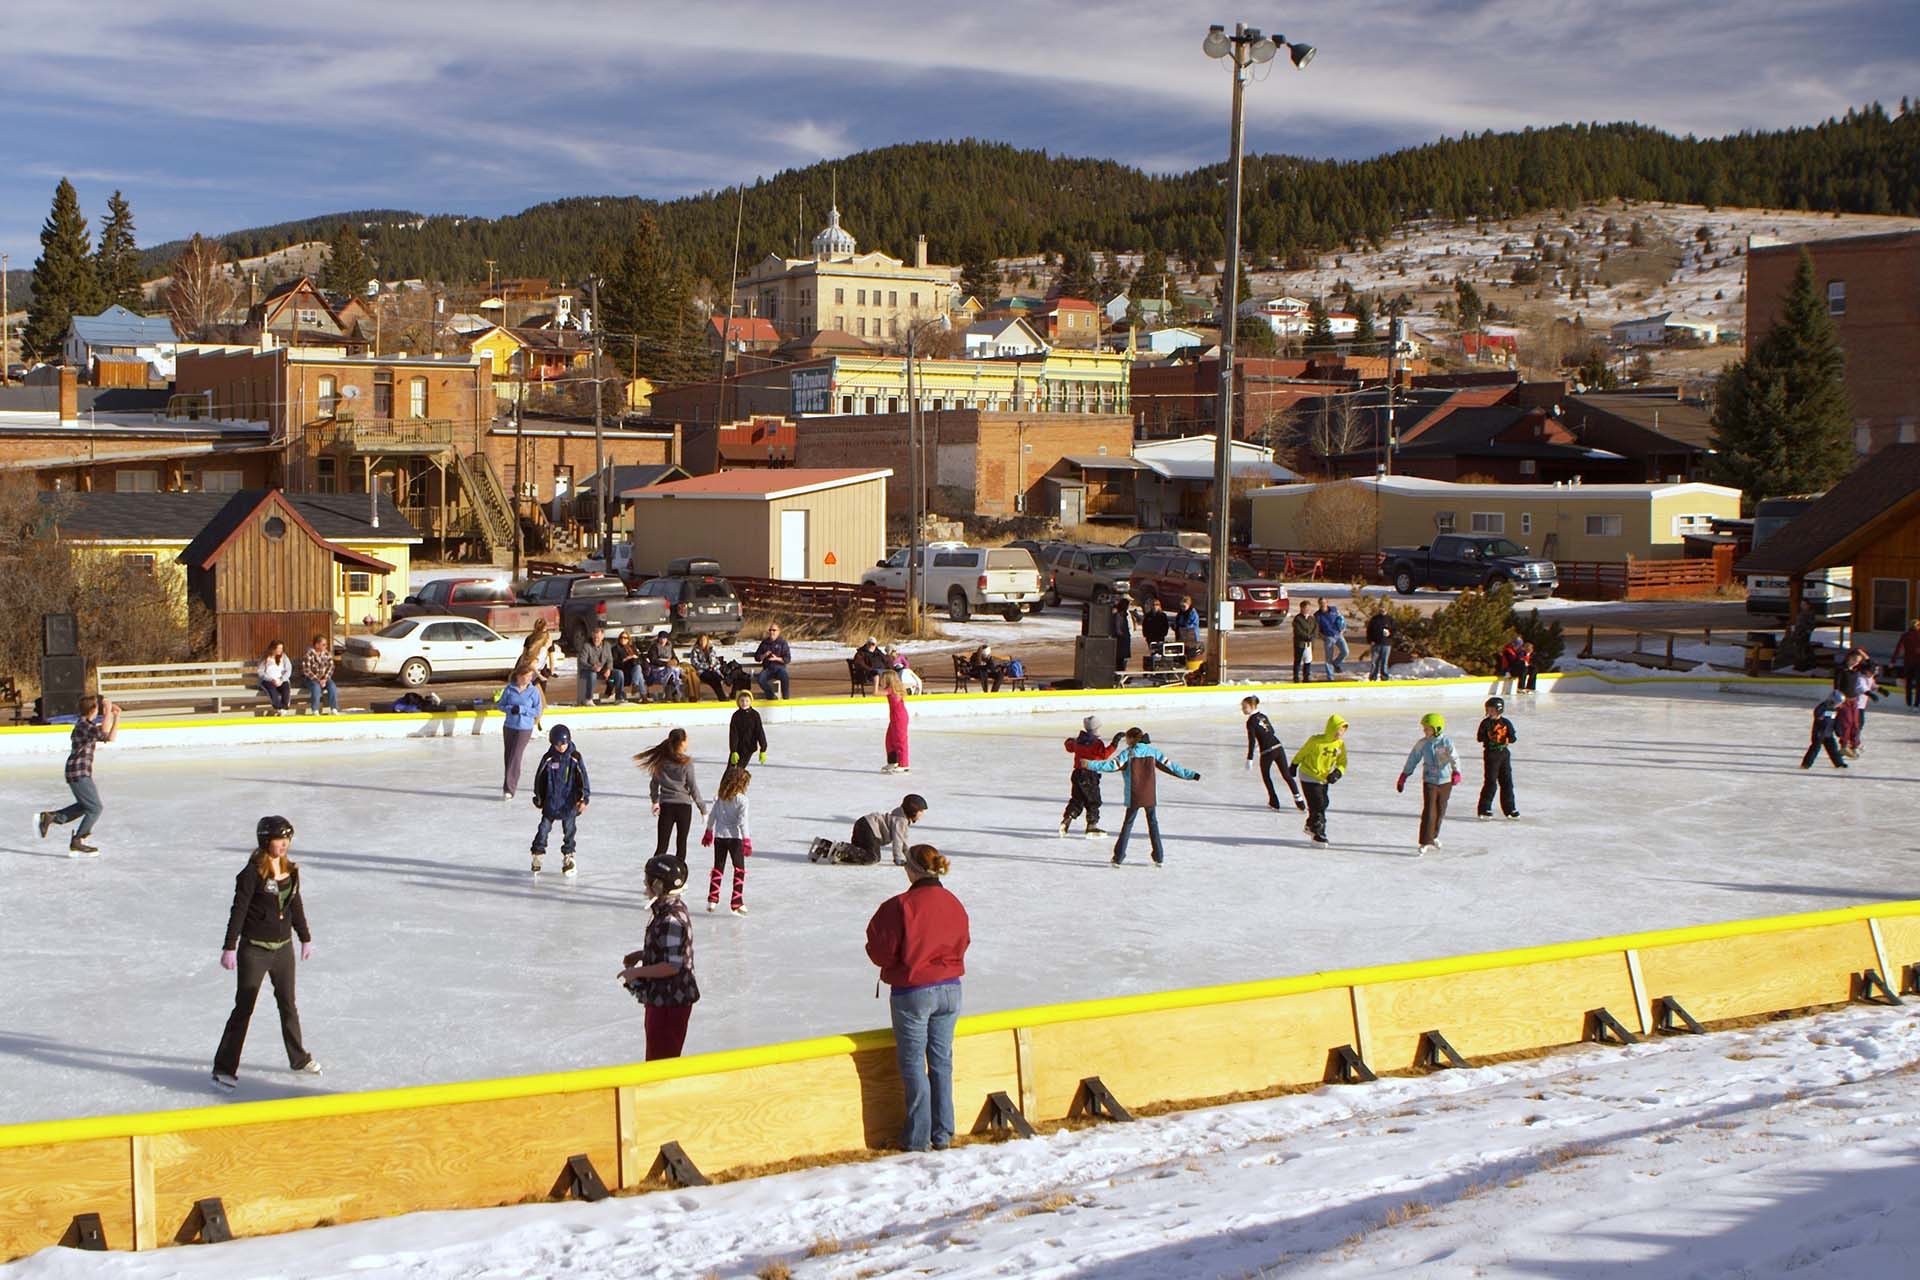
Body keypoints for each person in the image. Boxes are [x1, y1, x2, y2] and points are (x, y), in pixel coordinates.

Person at [865, 843, 970, 1153]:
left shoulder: (900, 906)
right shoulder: (953, 902)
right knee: (941, 1061)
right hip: (951, 988)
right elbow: (963, 941)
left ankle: (917, 1137)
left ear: (911, 870)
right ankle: (943, 1133)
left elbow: (881, 951)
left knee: (912, 1063)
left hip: (914, 991)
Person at [212, 815, 318, 1089]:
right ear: (266, 840)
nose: (284, 845)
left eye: (287, 840)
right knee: (244, 1008)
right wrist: (230, 946)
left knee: (288, 1005)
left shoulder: (290, 870)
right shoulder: (251, 874)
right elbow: (239, 910)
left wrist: (304, 937)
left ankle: (299, 1058)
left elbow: (295, 905)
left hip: (283, 950)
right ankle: (223, 1068)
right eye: (279, 840)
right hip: (254, 951)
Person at [619, 854, 700, 1060]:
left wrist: (637, 972)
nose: (644, 885)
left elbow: (671, 966)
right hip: (665, 998)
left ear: (658, 885)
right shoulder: (670, 909)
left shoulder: (670, 919)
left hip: (670, 1001)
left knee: (661, 1059)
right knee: (657, 1053)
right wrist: (643, 955)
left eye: (647, 881)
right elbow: (671, 950)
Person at [1088, 727, 1201, 866]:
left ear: (1131, 739)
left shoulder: (1129, 753)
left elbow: (1111, 765)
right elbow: (1172, 767)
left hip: (1134, 796)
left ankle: (1118, 857)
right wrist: (1191, 775)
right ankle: (1159, 857)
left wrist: (1089, 764)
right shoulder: (1153, 752)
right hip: (1149, 796)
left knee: (1128, 825)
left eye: (1127, 739)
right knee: (1153, 824)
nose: (1126, 741)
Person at [36, 693, 120, 856]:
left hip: (79, 771)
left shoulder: (86, 725)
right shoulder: (84, 726)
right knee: (95, 808)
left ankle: (51, 817)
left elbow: (109, 736)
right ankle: (78, 840)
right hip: (78, 772)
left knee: (85, 806)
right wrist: (109, 710)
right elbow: (106, 733)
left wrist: (116, 716)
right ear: (93, 709)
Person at [530, 724, 590, 876]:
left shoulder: (575, 758)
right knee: (543, 830)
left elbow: (583, 778)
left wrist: (584, 799)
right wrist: (539, 798)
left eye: (564, 743)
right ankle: (537, 855)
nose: (561, 747)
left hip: (569, 804)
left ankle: (568, 857)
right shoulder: (548, 758)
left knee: (569, 831)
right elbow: (540, 779)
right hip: (551, 803)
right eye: (558, 744)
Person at [1398, 712, 1461, 856]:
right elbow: (1413, 758)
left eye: (1427, 728)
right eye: (1424, 728)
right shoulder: (1423, 743)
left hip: (1445, 781)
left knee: (1440, 810)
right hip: (1430, 781)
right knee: (1430, 810)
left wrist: (1456, 772)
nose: (1425, 731)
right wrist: (1404, 775)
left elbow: (1454, 758)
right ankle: (1425, 841)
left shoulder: (1446, 743)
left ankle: (1434, 836)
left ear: (1437, 729)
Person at [639, 728, 706, 860]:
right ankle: (680, 872)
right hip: (684, 808)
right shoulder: (687, 762)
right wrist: (703, 809)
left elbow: (654, 784)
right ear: (682, 742)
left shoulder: (661, 761)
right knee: (681, 844)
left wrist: (655, 801)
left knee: (662, 845)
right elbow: (693, 787)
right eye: (686, 740)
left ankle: (654, 871)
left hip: (667, 807)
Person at [701, 766, 753, 915]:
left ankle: (712, 899)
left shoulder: (721, 797)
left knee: (718, 867)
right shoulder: (742, 800)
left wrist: (709, 831)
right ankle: (736, 901)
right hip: (735, 838)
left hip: (720, 837)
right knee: (739, 869)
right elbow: (742, 821)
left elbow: (712, 815)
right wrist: (747, 840)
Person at [1292, 715, 1349, 845]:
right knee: (1318, 804)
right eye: (1339, 729)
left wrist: (1337, 773)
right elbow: (1303, 752)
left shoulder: (1340, 744)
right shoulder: (1316, 741)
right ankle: (1318, 833)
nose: (1341, 733)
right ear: (1332, 729)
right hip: (1308, 775)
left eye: (1343, 730)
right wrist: (1294, 764)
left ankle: (1310, 824)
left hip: (1323, 779)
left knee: (1323, 802)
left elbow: (1342, 762)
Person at [1242, 696, 1304, 812]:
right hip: (1278, 747)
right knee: (1287, 775)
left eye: (1245, 707)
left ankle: (1274, 802)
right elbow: (1271, 731)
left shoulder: (1250, 722)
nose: (1243, 709)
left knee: (1266, 776)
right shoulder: (1263, 716)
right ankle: (1300, 801)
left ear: (1252, 706)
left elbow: (1252, 741)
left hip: (1267, 752)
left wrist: (1250, 758)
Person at [1061, 715, 1120, 837]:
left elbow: (1069, 747)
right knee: (1093, 800)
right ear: (1096, 728)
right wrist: (1114, 744)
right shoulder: (1096, 743)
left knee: (1077, 799)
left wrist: (1069, 741)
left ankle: (1067, 820)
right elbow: (1103, 755)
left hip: (1077, 774)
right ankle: (1092, 826)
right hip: (1090, 775)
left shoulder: (1079, 741)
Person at [496, 664, 544, 801]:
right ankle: (508, 784)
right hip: (509, 726)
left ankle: (509, 789)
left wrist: (522, 710)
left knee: (516, 756)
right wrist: (511, 709)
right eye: (526, 676)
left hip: (524, 728)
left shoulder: (533, 691)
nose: (528, 679)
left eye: (530, 676)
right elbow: (500, 705)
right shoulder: (509, 689)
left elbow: (537, 710)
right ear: (518, 676)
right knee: (509, 756)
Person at [1474, 696, 1520, 820]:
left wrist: (1505, 739)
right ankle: (1484, 808)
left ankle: (1510, 809)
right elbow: (1479, 738)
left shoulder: (1506, 723)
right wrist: (1490, 738)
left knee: (1507, 782)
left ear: (1499, 709)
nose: (1490, 712)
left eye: (1492, 709)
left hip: (1504, 754)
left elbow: (1513, 738)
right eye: (1488, 709)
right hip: (1491, 755)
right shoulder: (1485, 723)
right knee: (1490, 782)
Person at [852, 794, 926, 866]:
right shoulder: (901, 821)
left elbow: (904, 842)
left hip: (864, 823)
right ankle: (845, 849)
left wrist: (909, 857)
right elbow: (898, 840)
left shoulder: (900, 819)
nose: (922, 814)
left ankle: (846, 852)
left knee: (860, 851)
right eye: (921, 811)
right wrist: (898, 858)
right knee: (873, 857)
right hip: (870, 826)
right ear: (913, 811)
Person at [575, 624, 623, 705]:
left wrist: (608, 669)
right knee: (592, 675)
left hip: (602, 671)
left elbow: (610, 660)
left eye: (598, 637)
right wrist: (592, 667)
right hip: (588, 671)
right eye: (594, 637)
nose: (596, 639)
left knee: (619, 674)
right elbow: (582, 661)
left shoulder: (607, 645)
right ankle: (588, 699)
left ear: (602, 637)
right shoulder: (587, 646)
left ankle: (619, 698)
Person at [1802, 690, 1850, 770]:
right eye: (1839, 702)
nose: (1840, 704)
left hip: (1828, 734)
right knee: (1815, 749)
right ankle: (1806, 764)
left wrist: (1839, 732)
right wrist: (1820, 717)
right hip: (1819, 733)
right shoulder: (1823, 707)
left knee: (1833, 749)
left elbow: (1835, 722)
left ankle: (1839, 763)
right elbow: (1818, 714)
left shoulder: (1835, 710)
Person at [301, 634, 339, 714]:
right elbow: (306, 670)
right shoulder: (309, 654)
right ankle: (315, 709)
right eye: (323, 644)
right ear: (317, 645)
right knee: (316, 687)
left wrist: (325, 679)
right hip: (311, 679)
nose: (326, 646)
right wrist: (318, 680)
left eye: (326, 644)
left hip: (324, 678)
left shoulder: (327, 654)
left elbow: (331, 667)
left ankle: (334, 708)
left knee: (332, 686)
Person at [882, 670, 911, 773]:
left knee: (900, 740)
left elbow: (875, 693)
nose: (881, 681)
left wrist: (875, 680)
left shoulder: (890, 690)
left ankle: (904, 764)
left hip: (899, 718)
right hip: (895, 717)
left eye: (883, 678)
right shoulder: (893, 689)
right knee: (890, 740)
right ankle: (893, 761)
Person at [728, 690, 767, 766]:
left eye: (747, 701)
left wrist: (763, 749)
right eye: (742, 700)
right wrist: (733, 750)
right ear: (738, 702)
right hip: (737, 747)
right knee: (730, 770)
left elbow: (759, 732)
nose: (744, 703)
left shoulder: (755, 715)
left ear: (750, 701)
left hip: (749, 747)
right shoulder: (736, 716)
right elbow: (733, 734)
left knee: (740, 769)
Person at [754, 623, 792, 700]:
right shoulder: (764, 643)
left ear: (778, 632)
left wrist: (777, 658)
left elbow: (787, 659)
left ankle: (786, 698)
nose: (772, 632)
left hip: (779, 668)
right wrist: (764, 655)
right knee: (761, 679)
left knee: (784, 677)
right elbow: (757, 657)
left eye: (774, 630)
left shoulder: (782, 643)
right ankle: (771, 696)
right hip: (768, 669)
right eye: (770, 630)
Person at [686, 633, 728, 702]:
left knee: (716, 678)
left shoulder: (711, 649)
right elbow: (695, 663)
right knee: (713, 679)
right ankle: (722, 697)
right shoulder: (695, 650)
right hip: (701, 672)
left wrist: (714, 666)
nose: (702, 642)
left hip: (713, 670)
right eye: (701, 640)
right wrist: (707, 666)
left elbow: (715, 661)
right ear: (699, 641)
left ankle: (722, 697)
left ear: (707, 641)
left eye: (704, 640)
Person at [257, 640, 293, 714]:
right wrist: (271, 679)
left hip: (280, 680)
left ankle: (284, 707)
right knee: (272, 690)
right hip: (268, 680)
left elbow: (288, 669)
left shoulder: (284, 657)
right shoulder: (265, 657)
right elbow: (260, 672)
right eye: (278, 648)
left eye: (281, 648)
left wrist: (281, 679)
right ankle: (278, 707)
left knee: (286, 689)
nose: (280, 650)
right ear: (273, 648)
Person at [519, 619, 557, 688]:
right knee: (537, 691)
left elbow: (524, 654)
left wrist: (521, 667)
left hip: (530, 669)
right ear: (545, 628)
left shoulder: (530, 638)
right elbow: (551, 657)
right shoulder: (546, 640)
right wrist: (552, 671)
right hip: (537, 670)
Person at [1892, 618, 1920, 709]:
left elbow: (1898, 648)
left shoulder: (1905, 635)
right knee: (1918, 684)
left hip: (1908, 662)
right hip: (1918, 662)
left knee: (1908, 683)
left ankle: (1909, 703)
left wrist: (1893, 661)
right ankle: (1916, 704)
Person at [1316, 601, 1348, 678]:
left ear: (1327, 603)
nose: (1323, 604)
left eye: (1324, 603)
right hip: (1328, 637)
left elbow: (1341, 618)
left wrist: (1343, 628)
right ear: (1319, 604)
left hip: (1338, 634)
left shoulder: (1334, 610)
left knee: (1345, 652)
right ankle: (1330, 676)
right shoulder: (1317, 615)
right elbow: (1316, 628)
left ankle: (1336, 663)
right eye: (1321, 603)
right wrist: (1321, 636)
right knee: (1328, 658)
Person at [613, 631, 647, 702]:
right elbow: (614, 663)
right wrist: (625, 659)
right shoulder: (615, 649)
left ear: (628, 639)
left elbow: (640, 660)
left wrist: (635, 658)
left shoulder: (632, 648)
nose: (623, 639)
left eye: (625, 638)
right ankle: (643, 695)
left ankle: (635, 685)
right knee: (639, 674)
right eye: (621, 637)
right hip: (622, 673)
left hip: (632, 673)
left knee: (638, 668)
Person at [1291, 600, 1317, 683]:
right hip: (1300, 643)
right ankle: (1296, 677)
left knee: (1308, 660)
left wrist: (1312, 636)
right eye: (1305, 608)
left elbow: (1316, 628)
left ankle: (1306, 677)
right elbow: (1298, 631)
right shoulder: (1297, 619)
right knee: (1298, 660)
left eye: (1308, 608)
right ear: (1301, 608)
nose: (1307, 610)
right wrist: (1307, 637)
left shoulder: (1311, 618)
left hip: (1309, 643)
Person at [1365, 608, 1394, 682]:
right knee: (1374, 662)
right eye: (1381, 608)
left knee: (1384, 662)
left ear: (1387, 609)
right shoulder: (1374, 619)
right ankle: (1373, 677)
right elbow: (1369, 630)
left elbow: (1394, 631)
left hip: (1386, 644)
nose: (1382, 610)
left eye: (1384, 608)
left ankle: (1384, 677)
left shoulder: (1390, 619)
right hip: (1376, 644)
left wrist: (1390, 634)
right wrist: (1370, 640)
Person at [1140, 597, 1171, 668]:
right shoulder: (1148, 615)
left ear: (1159, 606)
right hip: (1150, 638)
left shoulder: (1162, 615)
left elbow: (1166, 626)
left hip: (1159, 637)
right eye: (1153, 604)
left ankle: (1160, 666)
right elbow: (1144, 626)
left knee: (1160, 652)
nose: (1155, 606)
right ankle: (1153, 666)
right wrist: (1146, 635)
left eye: (1157, 604)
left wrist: (1163, 634)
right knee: (1153, 653)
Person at [1110, 596, 1133, 673]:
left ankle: (1122, 671)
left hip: (1125, 639)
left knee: (1123, 658)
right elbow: (1118, 629)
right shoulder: (1119, 616)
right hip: (1121, 640)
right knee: (1120, 658)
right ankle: (1120, 673)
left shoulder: (1126, 615)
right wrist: (1123, 635)